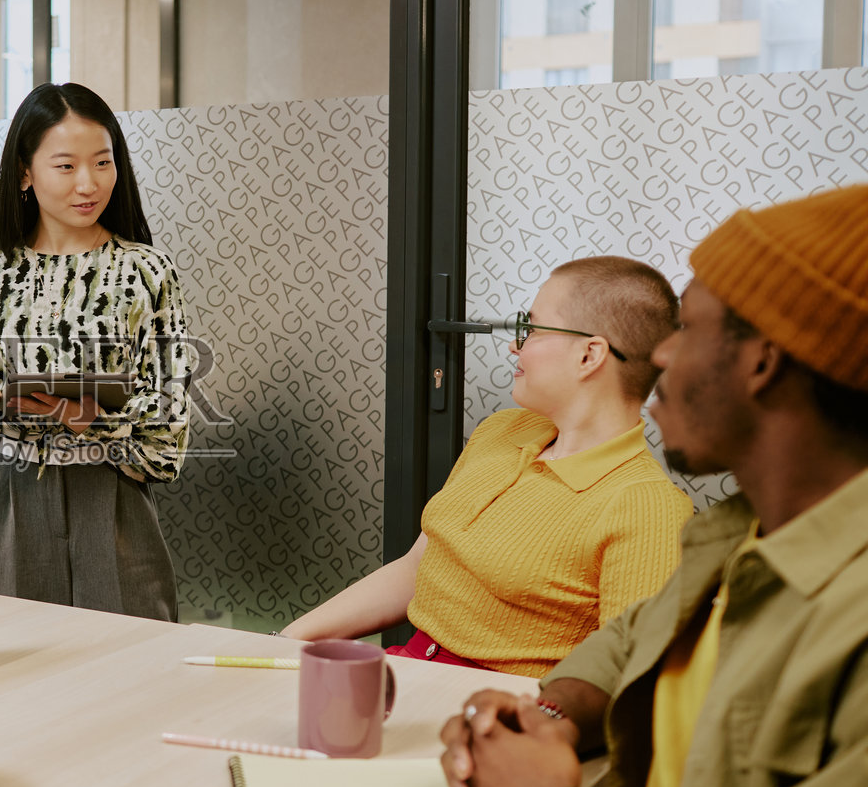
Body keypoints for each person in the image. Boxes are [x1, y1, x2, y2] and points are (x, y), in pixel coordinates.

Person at [440, 185, 868, 787]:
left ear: (763, 361)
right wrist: (544, 720)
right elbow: (625, 645)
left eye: (690, 327)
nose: (660, 354)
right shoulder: (743, 536)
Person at [283, 257, 690, 677]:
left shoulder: (648, 508)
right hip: (403, 672)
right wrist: (285, 641)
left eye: (532, 329)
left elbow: (630, 684)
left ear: (589, 355)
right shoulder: (503, 431)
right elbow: (416, 568)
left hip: (496, 707)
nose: (516, 345)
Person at [0, 83, 190, 620]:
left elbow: (169, 438)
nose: (89, 183)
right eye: (66, 166)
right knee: (15, 660)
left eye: (102, 162)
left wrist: (88, 418)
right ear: (25, 173)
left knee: (126, 661)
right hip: (10, 503)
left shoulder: (146, 271)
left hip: (113, 502)